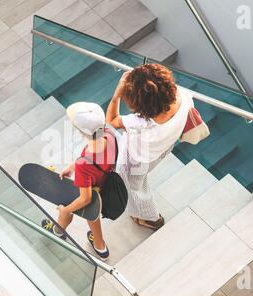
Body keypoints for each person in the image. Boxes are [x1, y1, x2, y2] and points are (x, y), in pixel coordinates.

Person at [106, 63, 193, 230]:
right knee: (139, 181)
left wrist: (117, 94)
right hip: (163, 148)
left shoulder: (140, 122)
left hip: (137, 160)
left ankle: (150, 217)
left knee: (132, 189)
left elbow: (111, 120)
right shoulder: (184, 97)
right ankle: (147, 214)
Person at [41, 102, 116, 261]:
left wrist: (66, 210)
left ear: (81, 132)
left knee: (68, 210)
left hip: (89, 191)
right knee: (93, 215)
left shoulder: (84, 165)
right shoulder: (109, 135)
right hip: (104, 186)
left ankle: (58, 231)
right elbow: (99, 161)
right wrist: (73, 165)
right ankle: (100, 247)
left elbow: (85, 199)